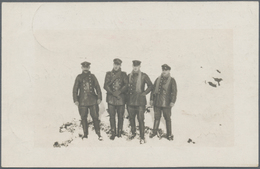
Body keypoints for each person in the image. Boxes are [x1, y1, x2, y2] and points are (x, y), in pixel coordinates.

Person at [72, 61, 103, 141]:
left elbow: (98, 87)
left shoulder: (92, 76)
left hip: (93, 100)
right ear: (82, 68)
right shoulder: (79, 77)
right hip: (82, 101)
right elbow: (75, 89)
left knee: (95, 117)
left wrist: (99, 98)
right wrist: (75, 99)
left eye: (87, 67)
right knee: (83, 118)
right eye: (84, 67)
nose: (85, 68)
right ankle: (85, 134)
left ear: (89, 67)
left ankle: (98, 133)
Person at [127, 60, 153, 144]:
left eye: (137, 66)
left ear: (139, 67)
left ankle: (142, 137)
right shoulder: (129, 76)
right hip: (130, 101)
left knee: (141, 119)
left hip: (140, 102)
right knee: (131, 119)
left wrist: (144, 93)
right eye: (134, 66)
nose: (135, 68)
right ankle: (133, 133)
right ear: (132, 66)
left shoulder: (144, 76)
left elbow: (151, 86)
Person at [149, 64, 177, 141]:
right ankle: (154, 132)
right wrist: (151, 100)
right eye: (163, 70)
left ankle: (169, 134)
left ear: (169, 71)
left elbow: (174, 92)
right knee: (156, 118)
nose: (164, 71)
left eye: (166, 70)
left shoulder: (172, 80)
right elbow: (153, 90)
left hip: (166, 103)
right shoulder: (158, 79)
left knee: (167, 118)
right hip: (157, 102)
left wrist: (172, 101)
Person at [103, 58, 128, 140]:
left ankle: (119, 132)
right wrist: (113, 93)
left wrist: (119, 92)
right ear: (113, 64)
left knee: (121, 116)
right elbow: (105, 85)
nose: (116, 66)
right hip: (111, 98)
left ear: (120, 65)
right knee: (112, 116)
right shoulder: (108, 74)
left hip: (120, 99)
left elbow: (126, 85)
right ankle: (113, 132)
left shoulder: (124, 74)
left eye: (118, 65)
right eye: (115, 64)